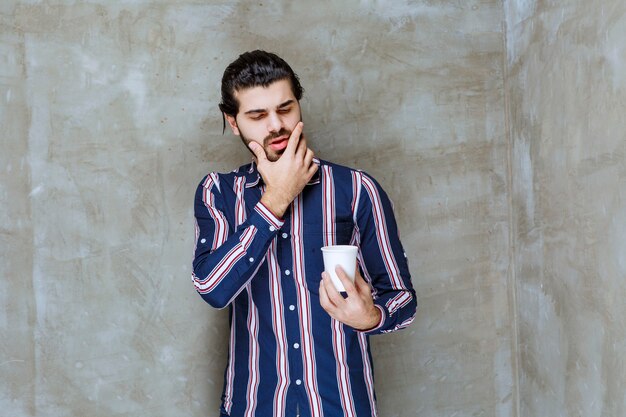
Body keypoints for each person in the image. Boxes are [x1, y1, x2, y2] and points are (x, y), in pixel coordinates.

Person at [192, 50, 416, 417]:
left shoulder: (357, 189)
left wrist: (372, 317)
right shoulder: (218, 192)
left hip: (342, 405)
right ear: (233, 122)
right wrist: (276, 200)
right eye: (257, 115)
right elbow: (212, 289)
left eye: (286, 108)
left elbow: (402, 298)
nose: (276, 125)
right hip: (254, 405)